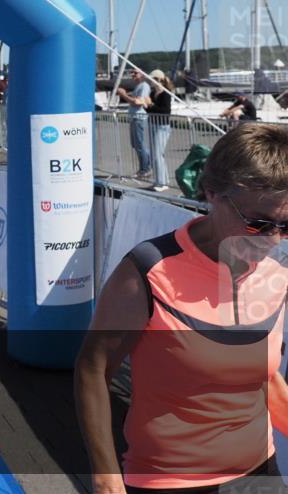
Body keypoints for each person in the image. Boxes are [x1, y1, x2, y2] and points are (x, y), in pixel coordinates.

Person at [75, 122, 288, 494]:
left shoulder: (274, 276)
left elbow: (260, 376)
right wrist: (106, 479)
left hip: (259, 474)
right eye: (257, 224)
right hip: (169, 481)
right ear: (212, 194)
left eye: (286, 225)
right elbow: (93, 369)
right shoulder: (147, 270)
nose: (272, 239)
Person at [116, 69, 152, 180]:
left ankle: (145, 169)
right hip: (134, 118)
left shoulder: (144, 86)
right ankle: (145, 168)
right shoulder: (139, 86)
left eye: (135, 73)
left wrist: (123, 94)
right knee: (136, 145)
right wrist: (126, 94)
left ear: (142, 74)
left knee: (140, 145)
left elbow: (138, 102)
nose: (133, 75)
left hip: (138, 118)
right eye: (132, 73)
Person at [145, 69, 173, 193]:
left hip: (162, 126)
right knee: (156, 154)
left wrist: (150, 105)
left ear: (158, 80)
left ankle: (162, 182)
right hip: (153, 124)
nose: (149, 82)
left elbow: (166, 111)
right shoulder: (152, 93)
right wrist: (147, 106)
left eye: (152, 79)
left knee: (157, 154)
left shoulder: (165, 93)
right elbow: (150, 111)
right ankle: (161, 180)